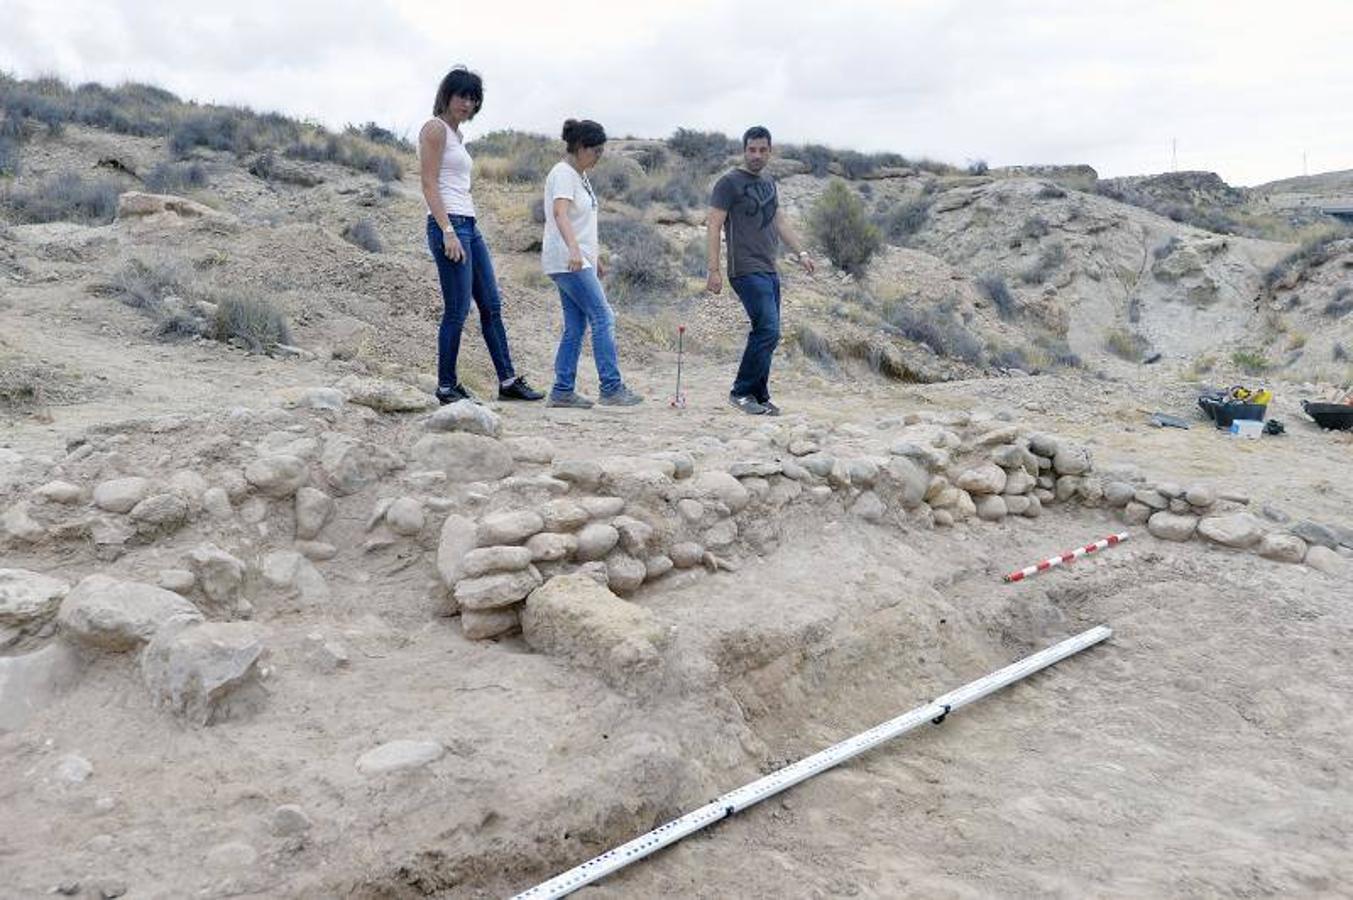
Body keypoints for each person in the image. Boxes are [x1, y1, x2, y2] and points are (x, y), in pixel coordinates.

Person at [419, 66, 543, 405]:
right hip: (449, 225)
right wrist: (447, 231)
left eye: (473, 99)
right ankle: (446, 387)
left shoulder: (457, 137)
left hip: (469, 226)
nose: (467, 103)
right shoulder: (435, 129)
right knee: (457, 310)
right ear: (447, 95)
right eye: (462, 95)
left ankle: (507, 381)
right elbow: (429, 183)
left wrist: (460, 229)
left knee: (491, 305)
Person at [706, 125, 814, 416]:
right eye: (751, 150)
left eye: (762, 150)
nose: (756, 155)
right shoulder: (728, 183)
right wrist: (713, 269)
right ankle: (741, 392)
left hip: (769, 268)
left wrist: (801, 252)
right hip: (745, 268)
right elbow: (714, 224)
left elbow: (779, 221)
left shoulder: (768, 182)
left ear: (770, 151)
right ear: (744, 150)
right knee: (767, 329)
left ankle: (759, 394)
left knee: (770, 333)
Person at [540, 118, 642, 408]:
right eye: (596, 151)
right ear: (581, 147)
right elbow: (560, 214)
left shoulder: (578, 175)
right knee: (603, 316)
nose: (598, 157)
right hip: (568, 260)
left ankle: (562, 391)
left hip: (576, 260)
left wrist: (591, 257)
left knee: (576, 325)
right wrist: (575, 250)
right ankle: (611, 387)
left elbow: (579, 220)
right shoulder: (563, 174)